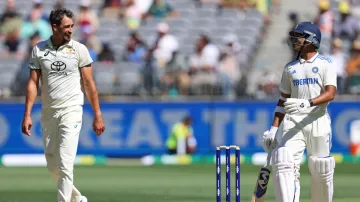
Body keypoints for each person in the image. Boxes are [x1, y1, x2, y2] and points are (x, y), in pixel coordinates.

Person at [21, 8, 105, 202]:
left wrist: (97, 114)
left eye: (72, 26)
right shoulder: (39, 49)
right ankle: (77, 199)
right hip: (49, 112)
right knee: (53, 166)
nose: (70, 30)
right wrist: (27, 114)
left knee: (66, 163)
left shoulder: (79, 49)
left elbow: (89, 84)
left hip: (72, 111)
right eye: (66, 27)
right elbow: (33, 83)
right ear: (54, 27)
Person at [262, 22, 337, 202]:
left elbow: (330, 93)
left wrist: (307, 103)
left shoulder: (326, 64)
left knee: (321, 168)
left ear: (312, 39)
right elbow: (282, 100)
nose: (295, 40)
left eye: (299, 36)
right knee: (283, 161)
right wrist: (273, 128)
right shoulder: (290, 68)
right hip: (292, 121)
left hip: (317, 120)